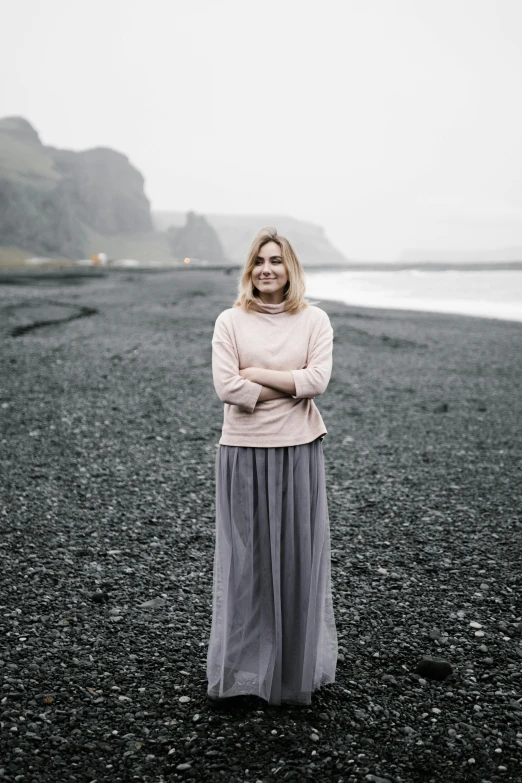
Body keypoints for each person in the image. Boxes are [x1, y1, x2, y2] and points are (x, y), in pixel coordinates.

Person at [206, 227, 338, 707]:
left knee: (295, 562)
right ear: (249, 269)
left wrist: (258, 374)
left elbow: (317, 380)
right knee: (249, 564)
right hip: (241, 450)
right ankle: (246, 672)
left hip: (298, 450)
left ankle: (289, 671)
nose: (267, 268)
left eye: (276, 260)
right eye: (259, 260)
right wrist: (289, 385)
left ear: (290, 268)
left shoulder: (315, 320)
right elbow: (227, 389)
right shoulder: (229, 321)